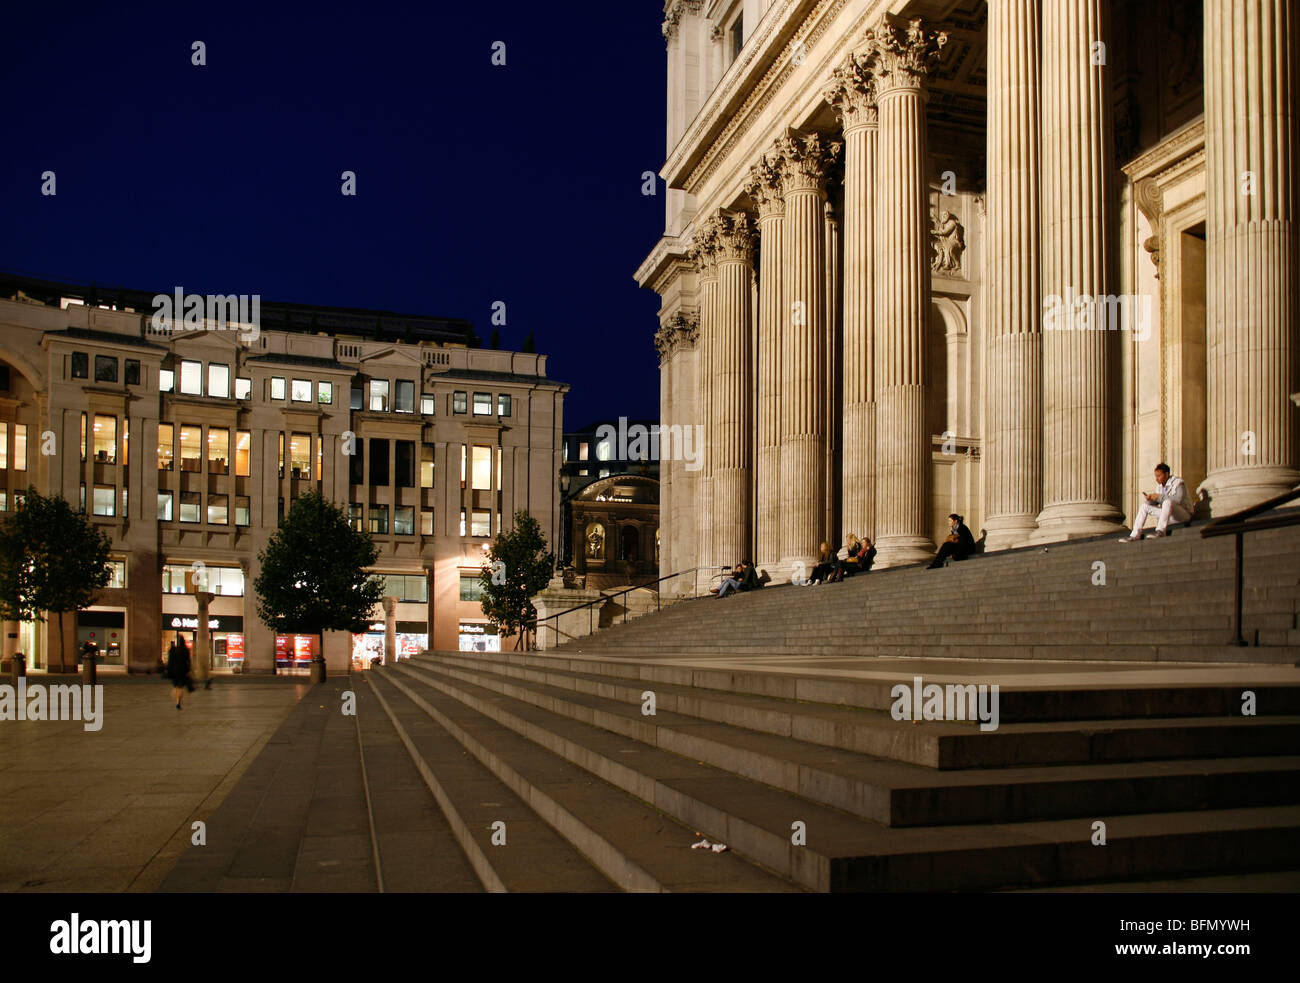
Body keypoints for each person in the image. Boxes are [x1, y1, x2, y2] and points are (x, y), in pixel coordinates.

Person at [1120, 463, 1194, 542]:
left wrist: (1159, 497)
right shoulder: (1159, 487)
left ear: (1166, 474)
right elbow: (1156, 502)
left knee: (1167, 502)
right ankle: (1135, 535)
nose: (1157, 479)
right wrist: (1150, 499)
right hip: (1170, 517)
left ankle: (1160, 531)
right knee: (1144, 506)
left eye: (1159, 476)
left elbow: (1178, 499)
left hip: (1183, 515)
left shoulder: (1178, 482)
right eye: (1156, 476)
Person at [166, 635, 193, 710]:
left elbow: (170, 661)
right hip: (183, 671)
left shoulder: (173, 650)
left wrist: (168, 670)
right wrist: (189, 670)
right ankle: (178, 701)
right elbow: (188, 661)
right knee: (181, 687)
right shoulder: (185, 650)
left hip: (174, 671)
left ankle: (177, 700)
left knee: (176, 686)